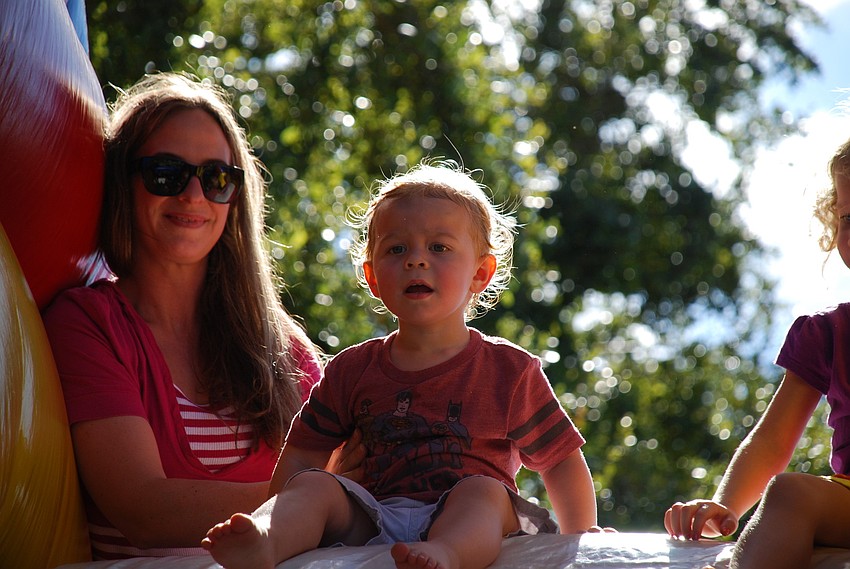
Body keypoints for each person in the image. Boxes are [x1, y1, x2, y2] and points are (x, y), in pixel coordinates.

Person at [202, 160, 600, 569]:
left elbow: (560, 460)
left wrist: (582, 537)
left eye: (439, 247)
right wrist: (282, 508)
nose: (416, 260)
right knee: (313, 485)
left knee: (483, 492)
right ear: (373, 276)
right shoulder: (351, 370)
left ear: (480, 272)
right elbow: (303, 453)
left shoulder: (510, 371)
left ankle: (445, 554)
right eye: (397, 249)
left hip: (466, 519)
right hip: (373, 514)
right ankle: (267, 540)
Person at [42, 72, 362, 560]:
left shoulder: (283, 345)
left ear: (236, 198)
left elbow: (366, 482)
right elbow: (145, 511)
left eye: (217, 178)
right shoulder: (87, 325)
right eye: (166, 174)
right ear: (122, 182)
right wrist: (317, 498)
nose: (194, 196)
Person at [664, 136, 850, 568]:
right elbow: (771, 440)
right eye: (849, 217)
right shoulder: (827, 334)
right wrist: (723, 507)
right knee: (788, 491)